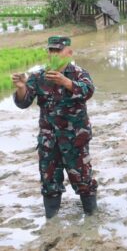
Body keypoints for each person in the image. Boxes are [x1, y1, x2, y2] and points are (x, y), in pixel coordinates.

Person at [11, 36, 98, 219]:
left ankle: (92, 218)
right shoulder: (38, 76)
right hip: (49, 141)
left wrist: (65, 82)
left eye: (58, 51)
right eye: (51, 51)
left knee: (83, 180)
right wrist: (21, 88)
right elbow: (24, 103)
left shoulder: (79, 73)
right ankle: (52, 220)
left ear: (69, 53)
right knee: (49, 182)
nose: (54, 54)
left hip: (75, 140)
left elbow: (88, 91)